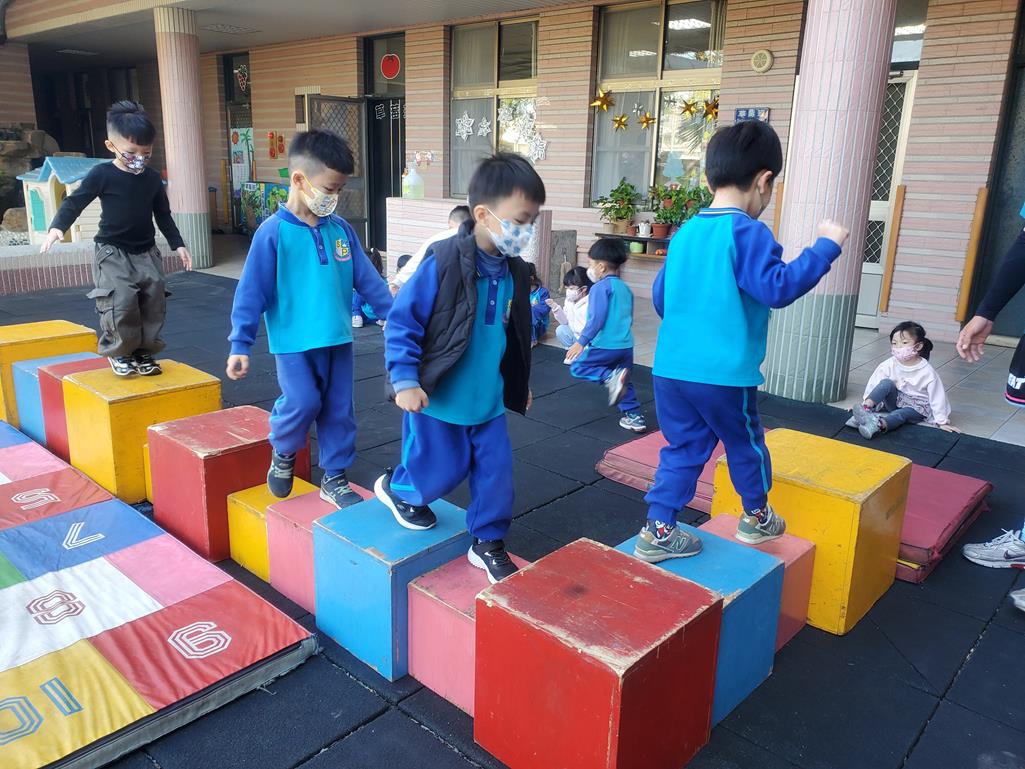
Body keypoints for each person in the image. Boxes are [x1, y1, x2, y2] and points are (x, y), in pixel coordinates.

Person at [632, 120, 849, 563]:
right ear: (764, 181)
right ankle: (757, 516)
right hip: (724, 375)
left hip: (670, 368)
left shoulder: (686, 232)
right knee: (744, 441)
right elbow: (778, 287)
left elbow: (661, 298)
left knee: (684, 447)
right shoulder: (747, 231)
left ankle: (658, 530)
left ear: (710, 176)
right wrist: (825, 247)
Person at [374, 153, 541, 584]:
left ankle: (488, 540)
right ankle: (399, 487)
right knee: (439, 470)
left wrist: (518, 383)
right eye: (520, 221)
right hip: (440, 397)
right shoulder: (443, 261)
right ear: (483, 214)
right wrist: (405, 379)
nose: (526, 231)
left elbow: (513, 334)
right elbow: (403, 323)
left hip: (487, 401)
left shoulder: (514, 270)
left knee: (496, 475)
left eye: (532, 221)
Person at [226, 130, 392, 508]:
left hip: (337, 339)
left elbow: (368, 280)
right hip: (294, 344)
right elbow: (251, 292)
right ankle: (284, 449)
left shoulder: (340, 230)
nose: (334, 198)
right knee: (302, 401)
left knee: (339, 410)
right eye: (330, 189)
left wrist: (396, 319)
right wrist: (240, 343)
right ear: (299, 180)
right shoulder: (273, 233)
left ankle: (334, 476)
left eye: (339, 190)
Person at [40, 100, 193, 377]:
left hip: (146, 252)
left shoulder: (151, 178)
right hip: (112, 251)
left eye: (146, 153)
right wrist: (57, 228)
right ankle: (120, 351)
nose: (139, 158)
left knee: (153, 298)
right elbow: (75, 201)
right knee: (121, 299)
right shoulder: (102, 174)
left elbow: (163, 214)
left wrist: (178, 244)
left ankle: (143, 351)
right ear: (111, 146)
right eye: (131, 152)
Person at [564, 239, 646, 433]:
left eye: (591, 263)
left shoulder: (600, 288)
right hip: (625, 346)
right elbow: (628, 317)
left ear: (600, 266)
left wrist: (581, 342)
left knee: (578, 367)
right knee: (624, 381)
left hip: (606, 345)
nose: (590, 268)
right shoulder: (625, 288)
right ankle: (634, 417)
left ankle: (610, 377)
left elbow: (596, 319)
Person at [847, 322, 954, 439]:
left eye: (904, 343)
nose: (898, 347)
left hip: (916, 408)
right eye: (894, 343)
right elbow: (875, 383)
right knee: (886, 383)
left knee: (899, 414)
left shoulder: (927, 372)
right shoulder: (889, 364)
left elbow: (937, 397)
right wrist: (865, 402)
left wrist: (941, 421)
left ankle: (878, 425)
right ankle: (865, 411)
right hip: (897, 400)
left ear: (918, 346)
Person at [389, 206, 472, 293]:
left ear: (449, 222)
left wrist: (396, 283)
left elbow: (416, 263)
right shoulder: (477, 239)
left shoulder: (440, 239)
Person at [547, 266, 592, 350]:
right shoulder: (569, 301)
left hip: (588, 340)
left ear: (583, 289)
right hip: (575, 336)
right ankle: (572, 350)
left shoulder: (591, 303)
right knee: (561, 330)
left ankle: (584, 352)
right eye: (566, 288)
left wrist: (583, 342)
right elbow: (564, 322)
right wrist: (555, 308)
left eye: (571, 288)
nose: (568, 291)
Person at [352, 248, 387, 328]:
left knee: (356, 295)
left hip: (367, 313)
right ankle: (383, 319)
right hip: (380, 313)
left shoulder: (364, 282)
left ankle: (356, 316)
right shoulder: (384, 281)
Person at [528, 262, 551, 346]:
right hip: (523, 324)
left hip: (539, 325)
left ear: (531, 278)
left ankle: (532, 339)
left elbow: (544, 309)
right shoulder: (520, 290)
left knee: (531, 309)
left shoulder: (543, 292)